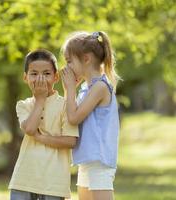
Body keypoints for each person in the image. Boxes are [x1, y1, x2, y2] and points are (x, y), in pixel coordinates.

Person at [8, 49, 79, 200]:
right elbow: (30, 129)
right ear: (25, 77)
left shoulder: (66, 106)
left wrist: (40, 138)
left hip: (54, 183)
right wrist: (40, 100)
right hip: (24, 180)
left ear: (56, 77)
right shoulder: (24, 105)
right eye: (34, 74)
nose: (40, 78)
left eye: (46, 74)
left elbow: (70, 141)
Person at [60, 31, 120, 200]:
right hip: (87, 159)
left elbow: (74, 118)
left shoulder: (100, 87)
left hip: (99, 160)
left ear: (86, 59)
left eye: (69, 61)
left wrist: (70, 89)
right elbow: (69, 116)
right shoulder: (86, 89)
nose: (67, 67)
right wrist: (68, 90)